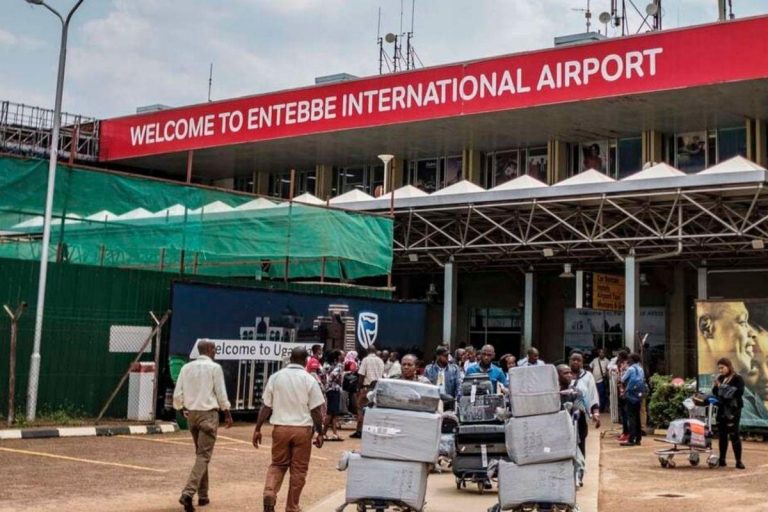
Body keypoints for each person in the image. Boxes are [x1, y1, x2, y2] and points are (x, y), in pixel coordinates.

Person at [253, 347, 326, 512]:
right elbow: (316, 410)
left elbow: (266, 406)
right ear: (306, 361)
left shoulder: (276, 377)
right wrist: (320, 432)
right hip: (302, 431)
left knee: (278, 464)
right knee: (298, 470)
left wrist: (257, 428)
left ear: (290, 358)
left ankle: (270, 492)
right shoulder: (309, 380)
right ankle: (292, 506)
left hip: (280, 429)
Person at [174, 340, 233, 512]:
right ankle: (188, 492)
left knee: (201, 455)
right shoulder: (215, 368)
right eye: (214, 349)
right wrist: (227, 412)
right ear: (208, 349)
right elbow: (221, 393)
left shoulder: (186, 368)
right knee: (203, 456)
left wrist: (181, 408)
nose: (215, 351)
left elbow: (178, 393)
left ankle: (203, 495)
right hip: (208, 415)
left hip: (192, 415)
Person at [712, 357, 746, 469]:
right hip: (722, 408)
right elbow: (715, 392)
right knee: (722, 434)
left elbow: (738, 392)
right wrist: (717, 387)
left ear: (729, 366)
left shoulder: (737, 378)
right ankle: (722, 460)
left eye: (722, 368)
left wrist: (721, 387)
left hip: (733, 409)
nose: (720, 370)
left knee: (734, 434)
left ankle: (738, 461)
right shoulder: (720, 378)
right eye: (719, 368)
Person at [569, 351, 600, 456]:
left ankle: (581, 463)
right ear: (569, 361)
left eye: (578, 360)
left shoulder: (588, 376)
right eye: (573, 360)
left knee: (581, 440)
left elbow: (593, 395)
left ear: (582, 362)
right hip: (566, 414)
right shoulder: (563, 373)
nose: (576, 362)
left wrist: (595, 413)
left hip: (581, 415)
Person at [351, 346, 385, 439]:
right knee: (373, 409)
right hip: (377, 388)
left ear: (367, 351)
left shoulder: (366, 360)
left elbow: (361, 375)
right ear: (375, 351)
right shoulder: (380, 361)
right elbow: (382, 375)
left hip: (367, 388)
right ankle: (370, 430)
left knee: (360, 408)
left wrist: (358, 389)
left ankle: (359, 431)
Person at [620, 353, 646, 447]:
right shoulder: (641, 369)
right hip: (639, 396)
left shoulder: (630, 369)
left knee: (631, 417)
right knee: (637, 416)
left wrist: (622, 370)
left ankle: (631, 439)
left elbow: (622, 379)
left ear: (632, 360)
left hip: (630, 395)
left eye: (629, 359)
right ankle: (638, 439)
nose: (628, 360)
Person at [323, 350, 345, 441]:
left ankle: (335, 433)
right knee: (330, 413)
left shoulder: (328, 365)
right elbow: (333, 376)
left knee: (334, 413)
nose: (344, 356)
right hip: (334, 390)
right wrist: (337, 381)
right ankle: (323, 433)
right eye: (342, 355)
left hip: (330, 390)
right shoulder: (339, 366)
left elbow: (325, 374)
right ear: (338, 357)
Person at [590, 348, 610, 413]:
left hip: (601, 380)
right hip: (594, 380)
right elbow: (590, 367)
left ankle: (601, 408)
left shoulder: (607, 361)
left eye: (603, 352)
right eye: (600, 352)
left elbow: (608, 370)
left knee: (601, 394)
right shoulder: (595, 360)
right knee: (594, 394)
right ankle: (594, 408)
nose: (601, 354)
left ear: (605, 354)